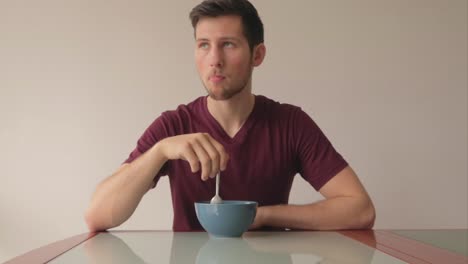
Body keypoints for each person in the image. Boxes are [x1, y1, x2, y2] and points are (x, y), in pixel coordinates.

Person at [84, 0, 375, 232]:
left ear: (257, 55)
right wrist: (160, 151)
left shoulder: (290, 124)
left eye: (228, 44)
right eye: (204, 45)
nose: (214, 60)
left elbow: (359, 209)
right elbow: (97, 215)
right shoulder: (174, 126)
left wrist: (260, 216)